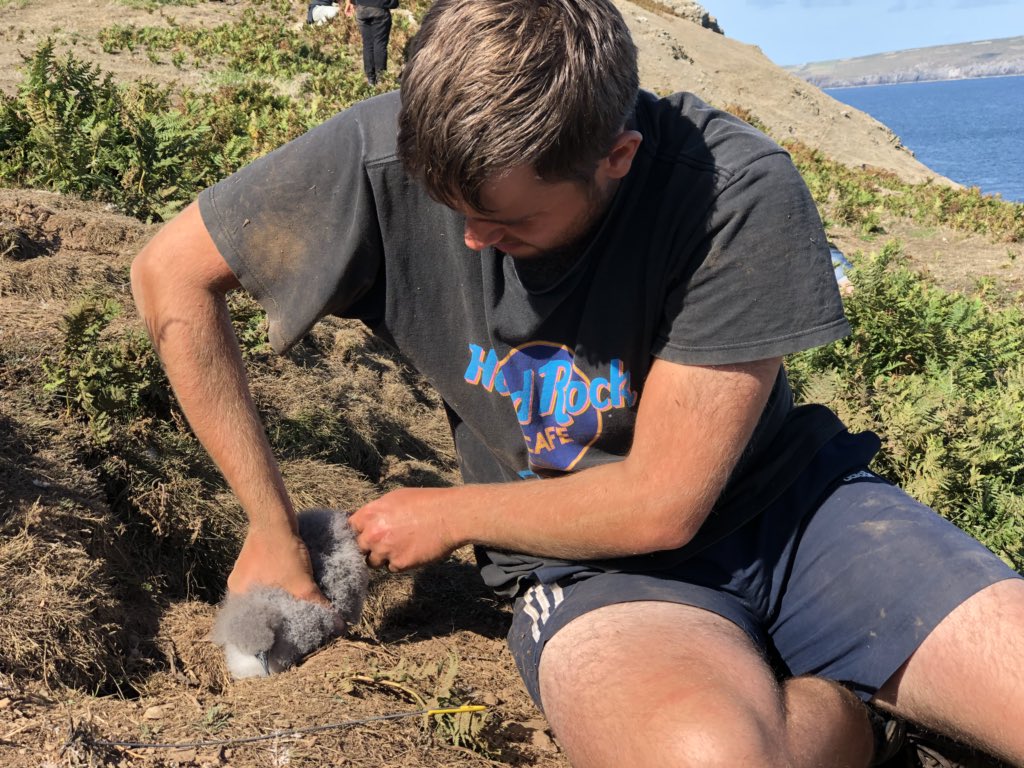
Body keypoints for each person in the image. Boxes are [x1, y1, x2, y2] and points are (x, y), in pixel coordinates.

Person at [130, 1, 1024, 766]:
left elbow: (662, 503)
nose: (472, 241)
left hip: (799, 517)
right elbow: (168, 275)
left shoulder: (734, 191)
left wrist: (451, 514)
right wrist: (269, 523)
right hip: (588, 569)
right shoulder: (380, 154)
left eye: (507, 219)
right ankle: (851, 722)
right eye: (450, 208)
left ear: (617, 156)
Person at [344, 0, 394, 86]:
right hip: (379, 7)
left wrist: (348, 3)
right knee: (379, 43)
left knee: (367, 44)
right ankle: (381, 79)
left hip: (361, 8)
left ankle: (370, 79)